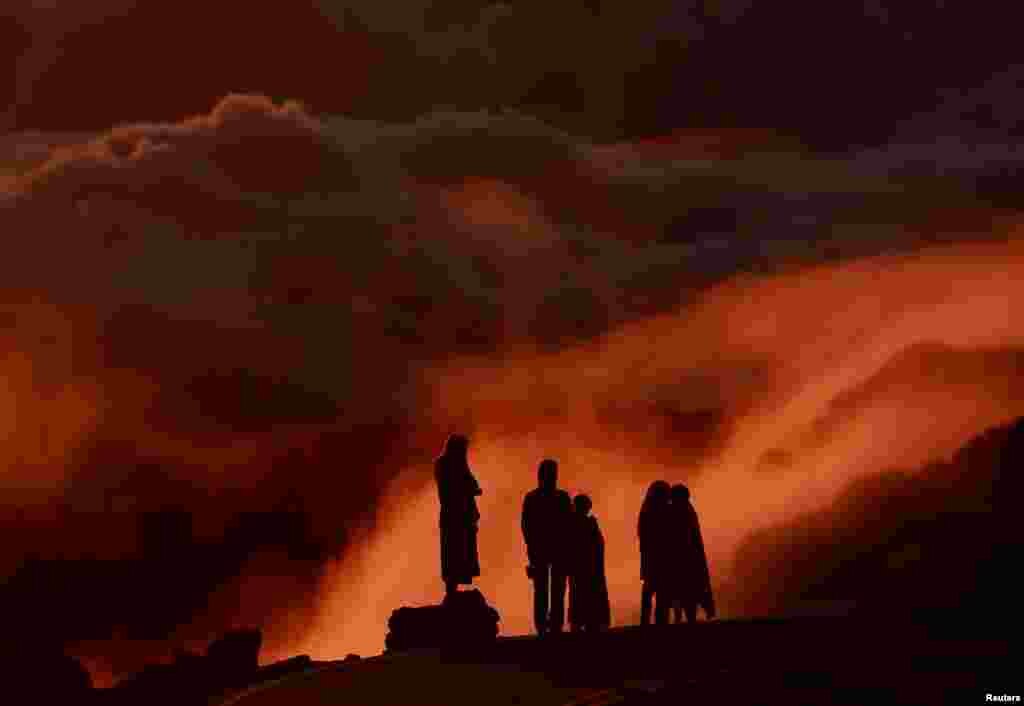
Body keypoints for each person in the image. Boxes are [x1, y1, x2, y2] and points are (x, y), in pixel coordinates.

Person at [521, 459, 573, 635]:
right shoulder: (562, 498)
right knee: (554, 588)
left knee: (544, 589)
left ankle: (544, 625)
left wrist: (531, 545)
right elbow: (568, 524)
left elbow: (526, 525)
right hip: (555, 549)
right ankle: (551, 624)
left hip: (543, 549)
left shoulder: (532, 498)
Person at [434, 434, 483, 597]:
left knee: (455, 554)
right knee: (454, 553)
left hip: (457, 516)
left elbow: (472, 484)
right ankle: (451, 591)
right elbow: (459, 488)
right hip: (455, 516)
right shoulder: (448, 465)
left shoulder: (450, 464)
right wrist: (469, 490)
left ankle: (451, 590)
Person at [666, 483, 715, 623]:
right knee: (687, 594)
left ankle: (684, 620)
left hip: (682, 560)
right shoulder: (688, 511)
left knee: (683, 594)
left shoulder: (676, 511)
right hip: (689, 560)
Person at [568, 494, 611, 633]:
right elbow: (597, 545)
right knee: (584, 594)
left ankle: (585, 621)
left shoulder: (582, 523)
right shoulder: (585, 523)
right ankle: (587, 621)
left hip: (586, 568)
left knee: (580, 595)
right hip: (587, 568)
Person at [638, 480, 672, 625]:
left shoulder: (646, 510)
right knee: (660, 590)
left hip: (651, 556)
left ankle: (647, 620)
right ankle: (660, 621)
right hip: (659, 556)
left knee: (650, 589)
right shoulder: (664, 511)